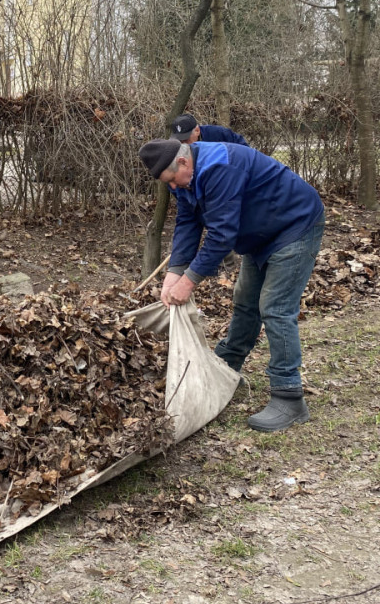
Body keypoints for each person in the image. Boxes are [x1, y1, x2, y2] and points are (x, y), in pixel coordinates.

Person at [138, 139, 324, 432]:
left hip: (294, 226)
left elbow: (222, 235)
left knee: (275, 307)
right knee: (246, 301)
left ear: (184, 163)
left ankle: (289, 397)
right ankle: (226, 369)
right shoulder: (184, 180)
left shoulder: (220, 166)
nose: (172, 188)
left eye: (172, 181)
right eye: (167, 184)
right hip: (260, 236)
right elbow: (188, 223)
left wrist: (190, 281)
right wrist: (174, 272)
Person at [169, 112, 248, 146]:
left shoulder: (218, 134)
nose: (183, 144)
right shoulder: (176, 148)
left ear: (197, 131)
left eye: (186, 139)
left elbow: (244, 150)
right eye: (180, 140)